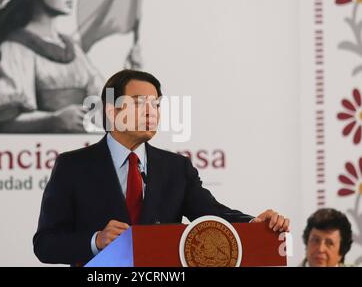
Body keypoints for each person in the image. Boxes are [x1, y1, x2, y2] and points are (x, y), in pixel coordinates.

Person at [33, 69, 290, 265]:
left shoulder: (177, 168)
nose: (151, 112)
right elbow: (45, 244)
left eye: (155, 105)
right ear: (111, 111)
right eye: (139, 103)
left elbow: (211, 215)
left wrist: (254, 223)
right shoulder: (73, 166)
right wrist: (96, 240)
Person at [0, 0, 104, 133]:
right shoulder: (16, 48)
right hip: (36, 153)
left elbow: (101, 101)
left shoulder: (73, 49)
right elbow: (4, 121)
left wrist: (131, 73)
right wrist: (54, 120)